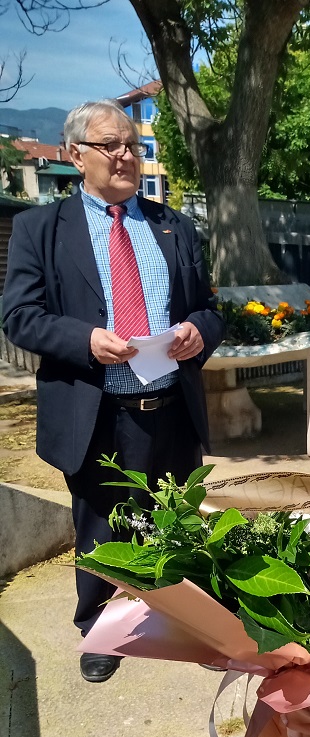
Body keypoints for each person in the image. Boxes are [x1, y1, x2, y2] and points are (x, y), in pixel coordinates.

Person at [2, 100, 224, 684]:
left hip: (171, 407)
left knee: (176, 522)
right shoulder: (41, 229)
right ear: (76, 156)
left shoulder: (173, 225)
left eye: (133, 145)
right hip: (97, 409)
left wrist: (197, 331)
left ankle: (185, 618)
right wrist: (85, 340)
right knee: (101, 525)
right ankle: (100, 629)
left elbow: (209, 308)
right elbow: (19, 316)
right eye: (111, 145)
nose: (126, 155)